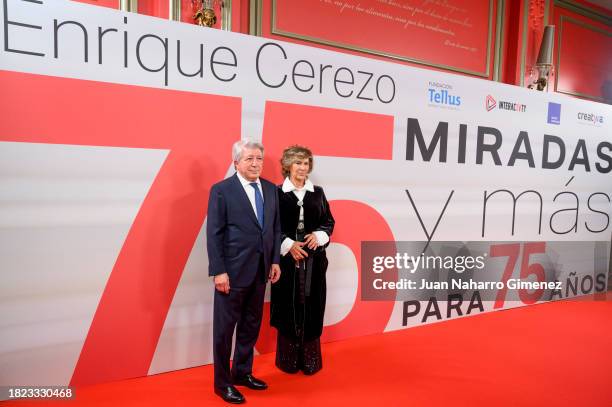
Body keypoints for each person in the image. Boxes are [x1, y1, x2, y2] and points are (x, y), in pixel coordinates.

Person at [206, 140, 281, 404]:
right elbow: (214, 234)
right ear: (236, 162)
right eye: (249, 158)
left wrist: (275, 261)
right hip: (232, 274)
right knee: (224, 331)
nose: (255, 163)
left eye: (259, 158)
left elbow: (274, 229)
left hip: (261, 272)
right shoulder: (222, 191)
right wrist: (219, 271)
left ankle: (242, 372)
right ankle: (222, 383)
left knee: (250, 327)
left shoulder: (271, 190)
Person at [270, 145, 335, 375]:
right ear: (287, 166)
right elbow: (270, 227)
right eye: (298, 163)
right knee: (288, 308)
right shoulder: (275, 193)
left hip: (314, 263)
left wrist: (319, 236)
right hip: (285, 264)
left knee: (312, 306)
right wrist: (288, 245)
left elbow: (329, 222)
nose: (302, 168)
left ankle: (310, 360)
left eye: (306, 163)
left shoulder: (317, 192)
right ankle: (287, 360)